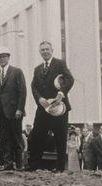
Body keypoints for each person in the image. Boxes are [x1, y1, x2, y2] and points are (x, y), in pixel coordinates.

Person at [26, 41, 74, 173]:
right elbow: (34, 86)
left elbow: (70, 79)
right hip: (43, 108)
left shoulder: (60, 64)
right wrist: (39, 99)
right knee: (37, 135)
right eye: (42, 50)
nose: (45, 52)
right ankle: (32, 166)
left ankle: (60, 168)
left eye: (47, 49)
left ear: (52, 50)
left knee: (60, 136)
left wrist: (60, 94)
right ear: (39, 52)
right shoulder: (37, 69)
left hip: (59, 108)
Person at [0, 46, 27, 171]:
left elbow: (22, 92)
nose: (1, 59)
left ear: (8, 57)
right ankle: (8, 165)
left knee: (16, 138)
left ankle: (19, 165)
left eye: (4, 57)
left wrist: (20, 109)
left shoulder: (16, 71)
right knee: (4, 138)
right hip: (1, 112)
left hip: (14, 111)